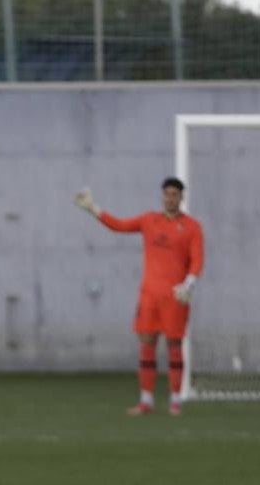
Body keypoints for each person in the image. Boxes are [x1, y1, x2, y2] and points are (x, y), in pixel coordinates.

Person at [75, 177, 205, 416]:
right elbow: (119, 225)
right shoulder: (149, 220)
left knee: (174, 346)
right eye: (167, 194)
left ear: (181, 197)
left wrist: (189, 283)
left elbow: (197, 260)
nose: (170, 198)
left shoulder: (192, 227)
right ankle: (146, 401)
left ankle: (175, 399)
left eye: (175, 194)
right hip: (149, 296)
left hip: (175, 298)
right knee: (146, 345)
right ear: (162, 196)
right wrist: (94, 208)